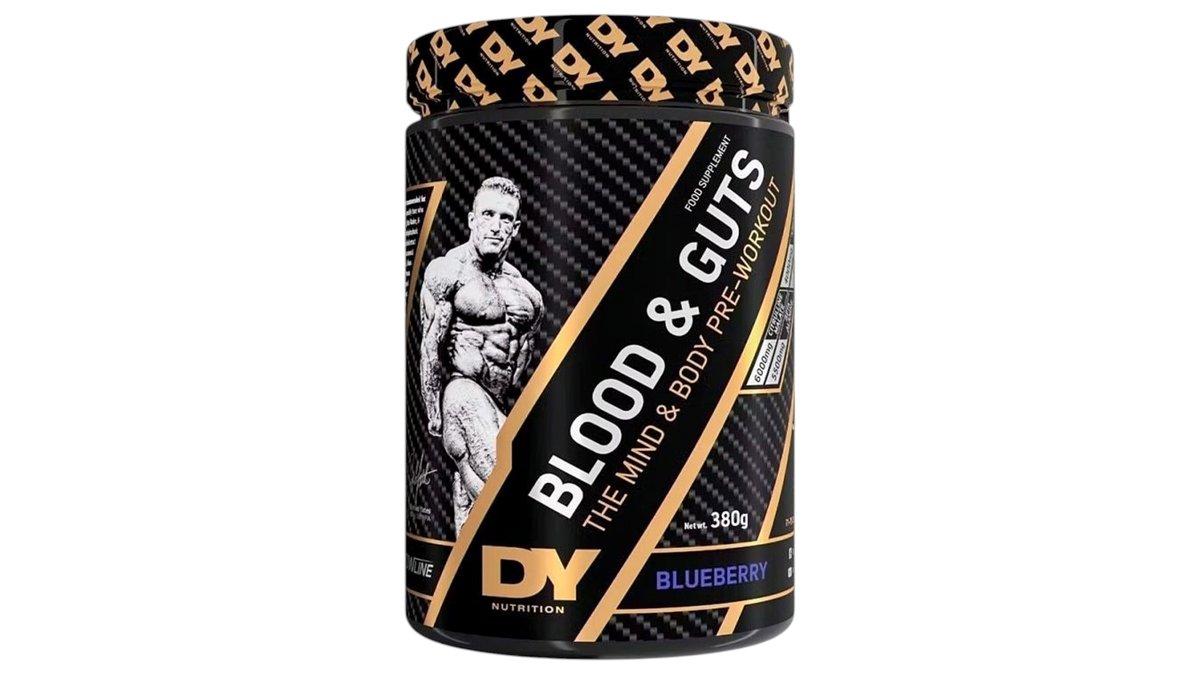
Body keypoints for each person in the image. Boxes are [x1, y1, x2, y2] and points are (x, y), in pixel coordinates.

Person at [418, 177, 544, 534]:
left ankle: (470, 566)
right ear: (472, 220)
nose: (496, 225)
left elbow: (522, 355)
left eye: (505, 218)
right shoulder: (448, 273)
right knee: (506, 489)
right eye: (488, 214)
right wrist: (434, 413)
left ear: (515, 228)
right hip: (461, 393)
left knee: (476, 515)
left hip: (496, 405)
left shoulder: (527, 294)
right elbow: (430, 346)